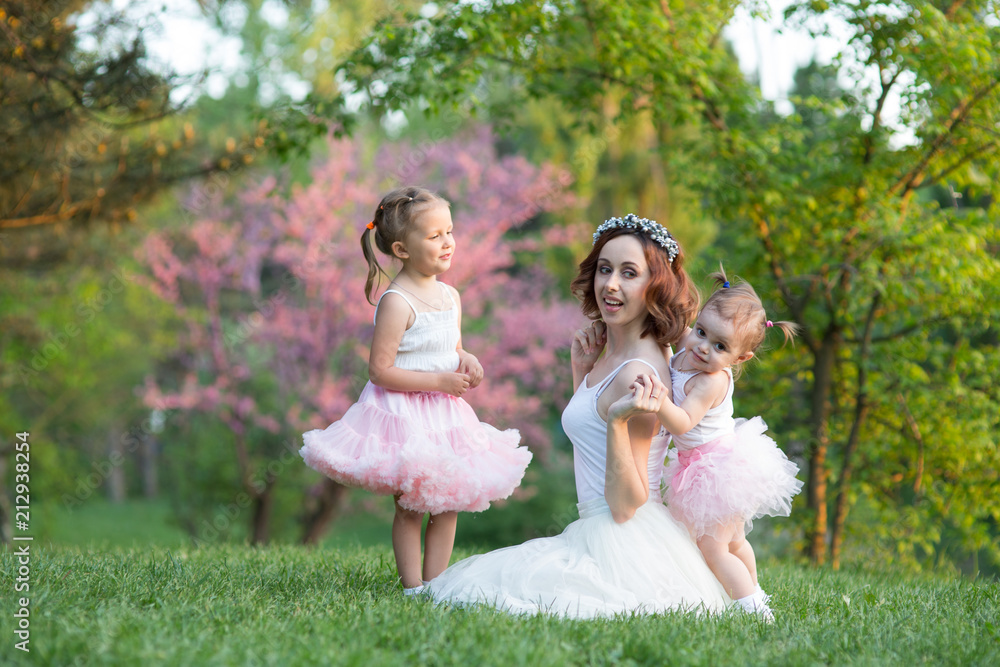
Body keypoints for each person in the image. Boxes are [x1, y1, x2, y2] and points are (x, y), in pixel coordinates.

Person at [426, 214, 731, 618]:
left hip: (622, 539)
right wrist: (581, 374)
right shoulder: (616, 356)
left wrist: (621, 422)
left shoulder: (638, 373)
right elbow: (591, 442)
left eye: (629, 273)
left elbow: (628, 504)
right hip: (599, 529)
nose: (610, 284)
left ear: (654, 286)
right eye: (604, 270)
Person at [299, 186, 532, 597]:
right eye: (434, 235)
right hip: (405, 415)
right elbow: (380, 370)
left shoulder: (449, 296)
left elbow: (448, 347)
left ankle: (437, 584)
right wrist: (439, 382)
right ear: (403, 249)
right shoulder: (396, 301)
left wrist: (466, 358)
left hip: (445, 417)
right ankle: (412, 586)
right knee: (410, 505)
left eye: (450, 231)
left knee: (447, 503)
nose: (448, 243)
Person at [630, 266, 803, 621]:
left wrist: (658, 398)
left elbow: (681, 421)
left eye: (720, 346)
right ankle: (756, 589)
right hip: (706, 464)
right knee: (735, 541)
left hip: (718, 470)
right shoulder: (685, 353)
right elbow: (671, 356)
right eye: (702, 332)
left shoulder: (711, 382)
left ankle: (753, 609)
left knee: (714, 548)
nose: (704, 348)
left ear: (740, 359)